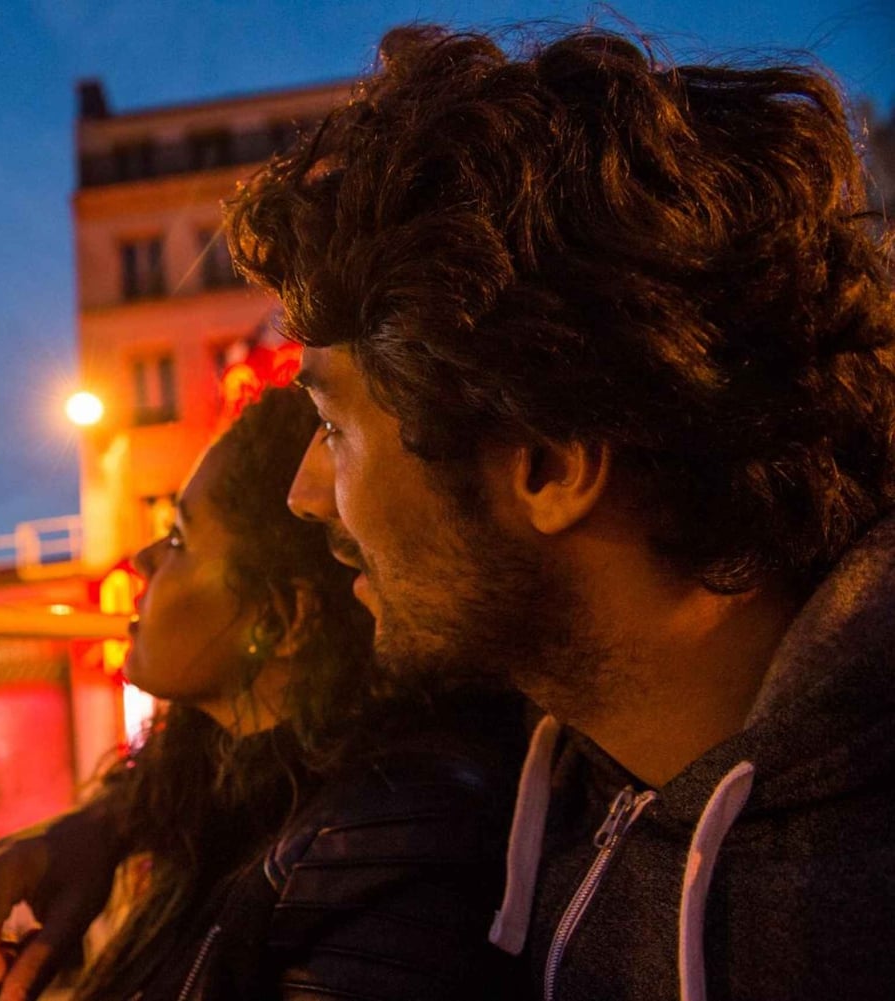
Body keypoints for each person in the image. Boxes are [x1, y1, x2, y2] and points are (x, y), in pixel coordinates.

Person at [225, 23, 895, 1001]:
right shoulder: (567, 733)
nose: (303, 494)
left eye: (332, 428)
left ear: (548, 465)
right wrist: (121, 823)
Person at [0, 387, 524, 1000]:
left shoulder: (381, 848)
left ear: (277, 622)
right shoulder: (217, 797)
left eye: (178, 539)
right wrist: (106, 822)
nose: (142, 560)